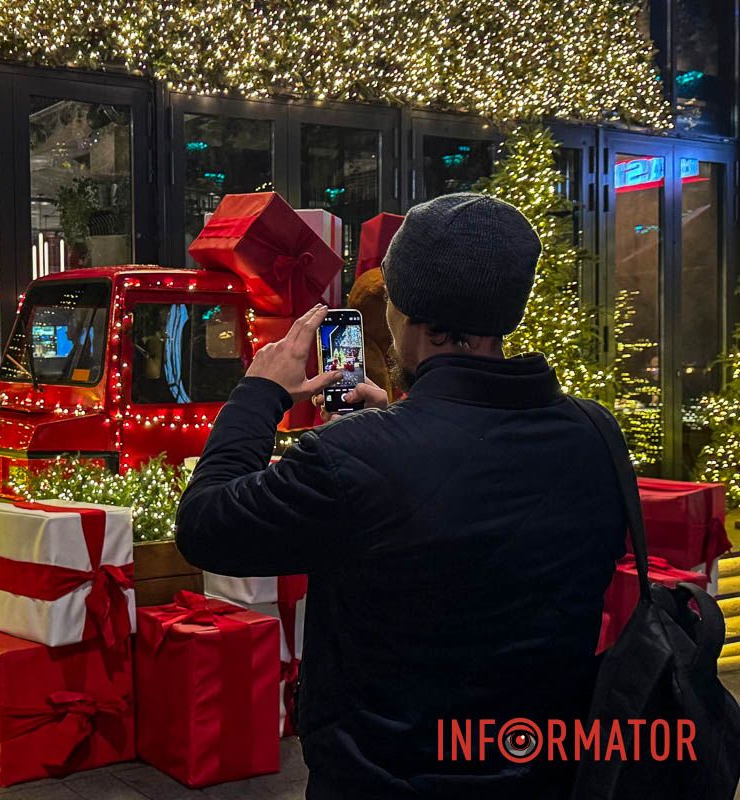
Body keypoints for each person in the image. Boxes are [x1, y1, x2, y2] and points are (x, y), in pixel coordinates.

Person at [177, 194, 626, 799]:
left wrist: (260, 392)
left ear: (404, 313)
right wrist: (399, 424)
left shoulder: (358, 458)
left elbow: (206, 524)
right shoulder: (595, 432)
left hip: (387, 779)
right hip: (548, 772)